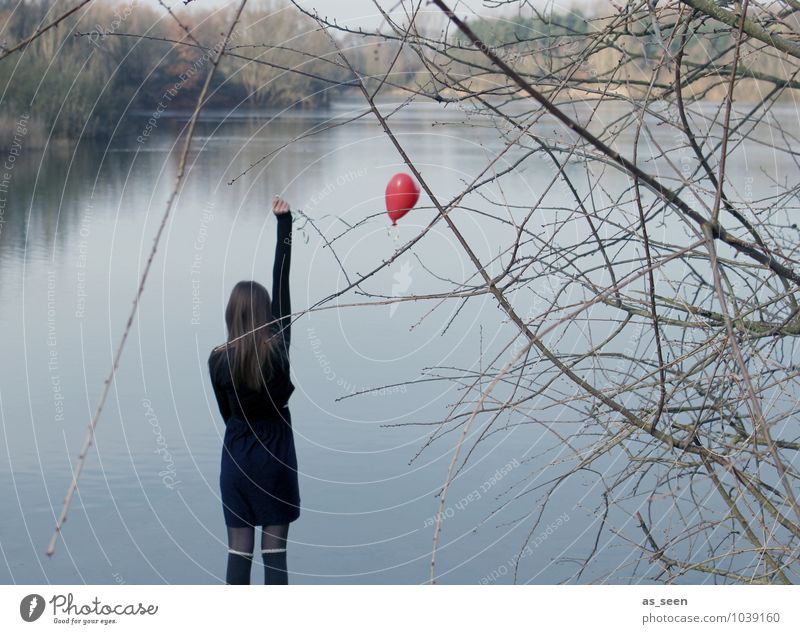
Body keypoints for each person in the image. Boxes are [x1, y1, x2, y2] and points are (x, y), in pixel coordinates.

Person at [208, 195, 299, 584]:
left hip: (237, 458)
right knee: (274, 557)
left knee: (237, 554)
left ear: (231, 314)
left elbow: (227, 413)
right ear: (267, 314)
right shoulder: (277, 348)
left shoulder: (217, 359)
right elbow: (281, 278)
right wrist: (285, 224)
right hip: (274, 457)